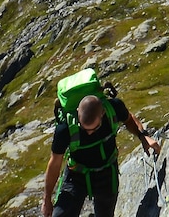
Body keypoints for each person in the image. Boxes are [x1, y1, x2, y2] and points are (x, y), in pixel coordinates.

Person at [41, 85, 160, 217]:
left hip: (106, 173)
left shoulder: (113, 108)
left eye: (94, 128)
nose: (89, 133)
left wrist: (143, 136)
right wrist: (46, 199)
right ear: (77, 113)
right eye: (84, 128)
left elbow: (129, 119)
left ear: (102, 113)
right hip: (76, 175)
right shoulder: (65, 129)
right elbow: (54, 164)